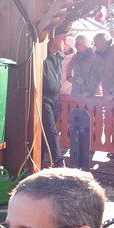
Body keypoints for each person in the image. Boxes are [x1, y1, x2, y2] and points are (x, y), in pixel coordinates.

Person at [42, 27, 67, 168]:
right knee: (51, 130)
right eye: (62, 39)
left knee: (48, 130)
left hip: (56, 98)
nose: (64, 42)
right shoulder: (43, 56)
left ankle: (41, 160)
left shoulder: (58, 57)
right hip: (45, 97)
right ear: (54, 38)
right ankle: (58, 161)